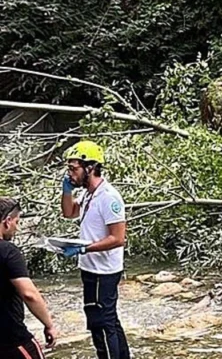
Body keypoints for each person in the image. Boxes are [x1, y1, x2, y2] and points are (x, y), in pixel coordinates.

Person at [60, 141, 130, 359]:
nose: (70, 173)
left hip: (104, 271)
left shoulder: (109, 197)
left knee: (101, 323)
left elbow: (118, 238)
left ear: (90, 168)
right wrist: (67, 190)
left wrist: (84, 249)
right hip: (90, 268)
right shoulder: (89, 194)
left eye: (74, 169)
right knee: (108, 319)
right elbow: (69, 212)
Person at [1, 197, 58, 359]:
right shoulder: (8, 252)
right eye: (17, 222)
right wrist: (49, 325)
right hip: (11, 338)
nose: (17, 228)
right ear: (7, 221)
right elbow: (29, 294)